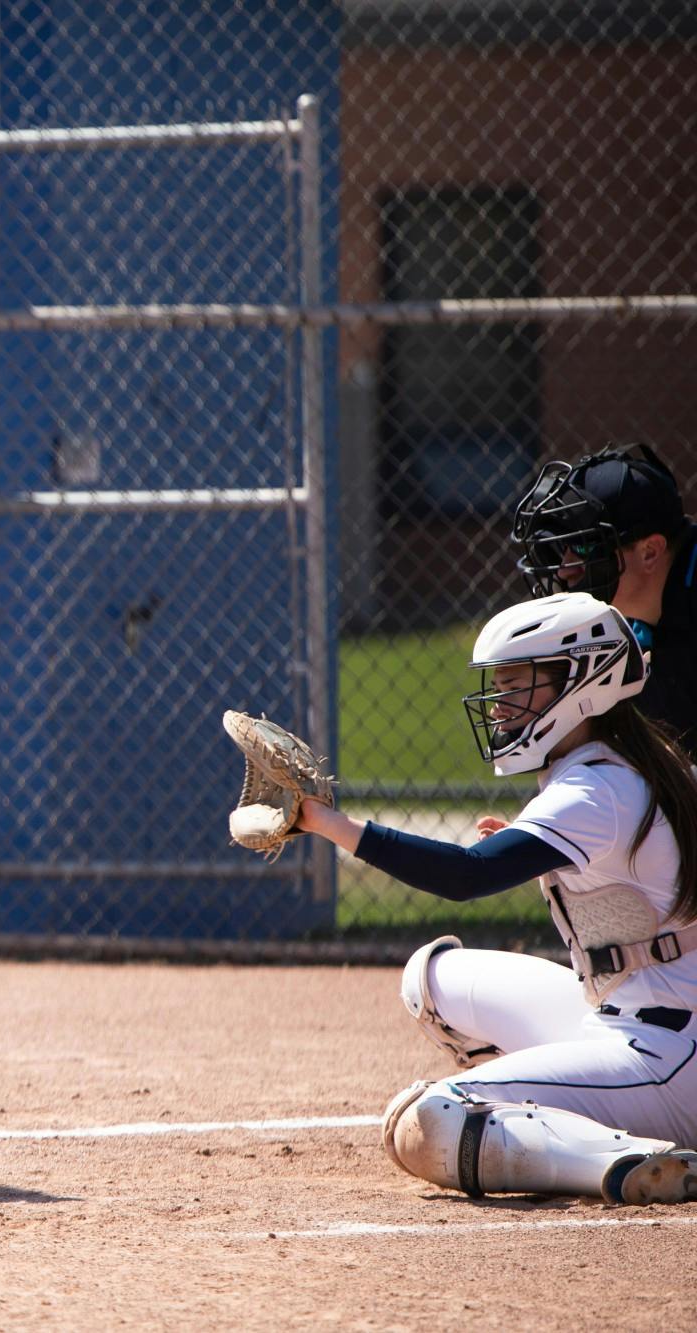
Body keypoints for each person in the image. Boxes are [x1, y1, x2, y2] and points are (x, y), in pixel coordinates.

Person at [282, 591, 697, 1205]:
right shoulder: (631, 763)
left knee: (428, 1119)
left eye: (517, 685)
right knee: (431, 982)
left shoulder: (595, 786)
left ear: (582, 683)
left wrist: (328, 824)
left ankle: (619, 1158)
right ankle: (547, 1107)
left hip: (669, 1058)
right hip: (636, 1020)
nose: (500, 704)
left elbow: (464, 877)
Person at [511, 443, 697, 747]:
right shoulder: (622, 628)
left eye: (585, 548)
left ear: (649, 552)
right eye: (563, 548)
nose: (565, 570)